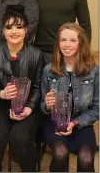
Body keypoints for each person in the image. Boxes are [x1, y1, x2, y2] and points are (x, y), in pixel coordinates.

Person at [0, 5, 44, 171]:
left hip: (27, 107)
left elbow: (38, 88)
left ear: (26, 30)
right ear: (3, 31)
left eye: (19, 27)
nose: (14, 31)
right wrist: (1, 93)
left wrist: (29, 108)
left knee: (20, 138)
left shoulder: (36, 55)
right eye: (9, 27)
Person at [41, 23, 98, 172]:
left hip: (82, 125)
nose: (67, 44)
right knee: (60, 154)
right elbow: (41, 106)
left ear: (81, 43)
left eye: (72, 40)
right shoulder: (49, 70)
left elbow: (97, 109)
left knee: (86, 158)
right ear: (58, 43)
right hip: (55, 125)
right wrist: (47, 105)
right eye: (63, 40)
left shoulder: (93, 72)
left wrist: (75, 122)